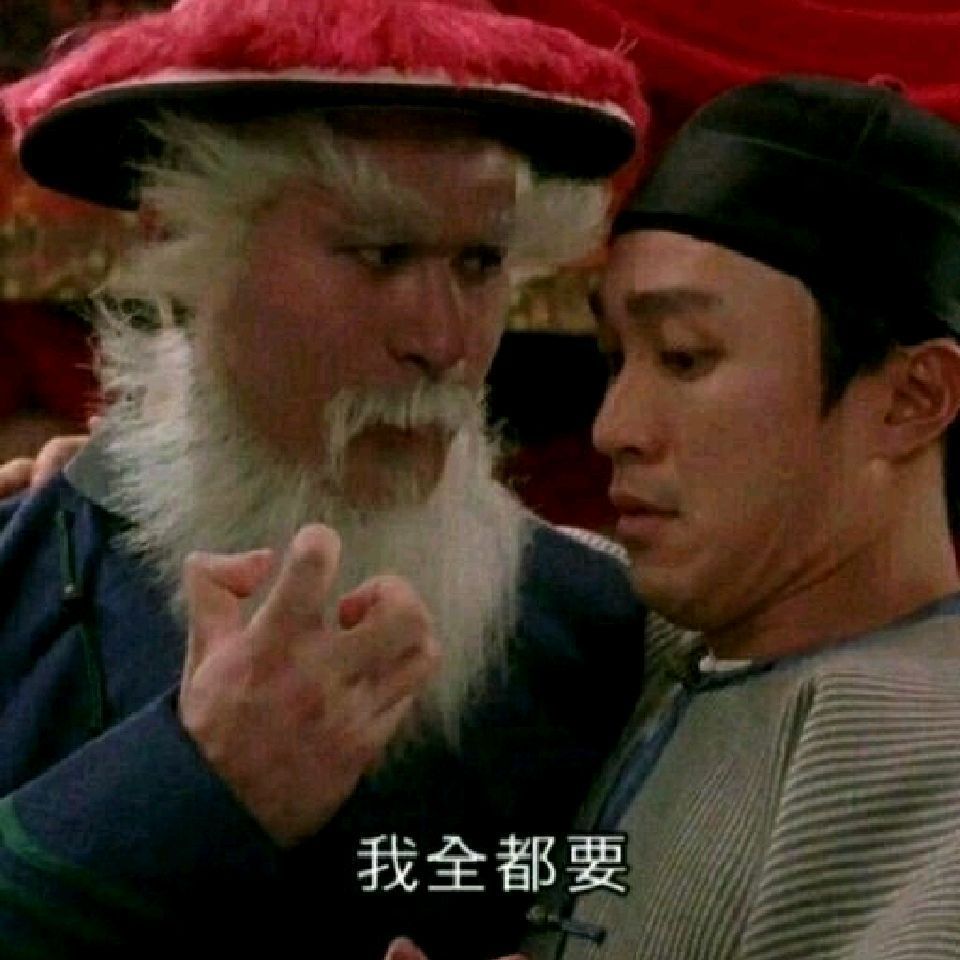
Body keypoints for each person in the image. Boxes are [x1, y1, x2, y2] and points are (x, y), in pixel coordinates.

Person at [0, 1, 658, 957]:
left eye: (479, 262)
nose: (442, 340)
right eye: (380, 255)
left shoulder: (597, 630)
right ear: (175, 237)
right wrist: (192, 783)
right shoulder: (24, 584)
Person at [514, 74, 960, 960]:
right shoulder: (678, 649)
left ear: (910, 398)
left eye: (684, 357)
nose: (612, 428)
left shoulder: (922, 744)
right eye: (616, 358)